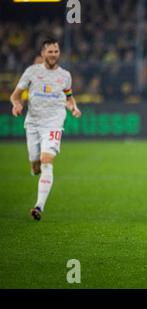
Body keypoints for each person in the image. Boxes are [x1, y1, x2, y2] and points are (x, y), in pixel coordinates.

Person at [10, 38, 82, 221]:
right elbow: (15, 96)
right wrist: (16, 105)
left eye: (56, 51)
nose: (53, 55)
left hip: (54, 122)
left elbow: (68, 97)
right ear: (43, 54)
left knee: (46, 160)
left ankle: (38, 206)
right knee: (36, 164)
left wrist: (73, 107)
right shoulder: (31, 72)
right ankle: (37, 168)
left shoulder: (65, 75)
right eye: (50, 52)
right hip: (33, 123)